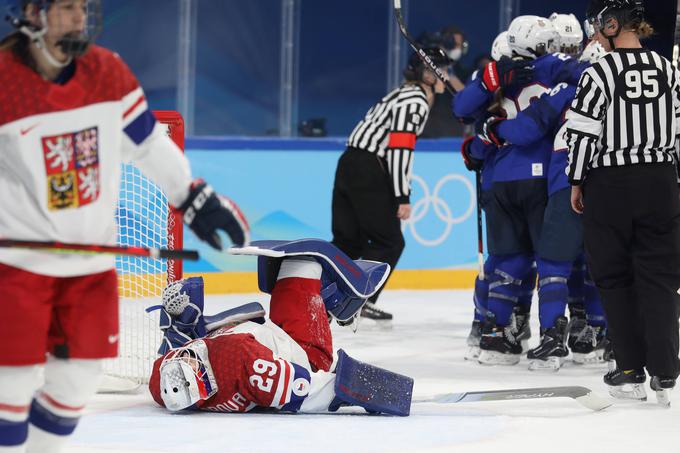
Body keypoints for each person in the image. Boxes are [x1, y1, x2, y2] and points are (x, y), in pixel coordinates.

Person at [0, 1, 249, 452]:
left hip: (87, 267)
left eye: (84, 7)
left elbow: (148, 143)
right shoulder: (4, 79)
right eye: (68, 7)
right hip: (19, 267)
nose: (80, 17)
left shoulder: (107, 73)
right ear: (34, 14)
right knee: (9, 387)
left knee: (77, 380)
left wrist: (192, 199)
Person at [148, 239, 413, 416]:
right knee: (304, 264)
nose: (187, 357)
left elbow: (166, 362)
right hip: (304, 354)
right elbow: (312, 391)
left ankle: (327, 304)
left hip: (268, 337)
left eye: (185, 358)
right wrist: (374, 389)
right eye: (191, 363)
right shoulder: (243, 362)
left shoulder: (163, 381)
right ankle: (345, 306)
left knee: (292, 267)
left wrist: (180, 330)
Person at [566, 0, 680, 405]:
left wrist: (576, 180)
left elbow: (582, 132)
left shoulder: (599, 72)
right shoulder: (669, 69)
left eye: (599, 28)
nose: (596, 35)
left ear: (612, 26)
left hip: (610, 184)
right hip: (661, 182)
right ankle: (665, 371)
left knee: (614, 277)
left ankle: (630, 368)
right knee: (661, 276)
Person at [480, 39, 609, 370]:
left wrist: (492, 131)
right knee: (610, 264)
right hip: (622, 182)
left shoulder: (566, 90)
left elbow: (527, 127)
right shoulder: (635, 92)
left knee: (553, 264)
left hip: (567, 181)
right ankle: (607, 337)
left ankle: (553, 338)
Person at [331, 47, 446, 322]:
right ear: (428, 74)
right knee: (389, 241)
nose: (446, 75)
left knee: (347, 241)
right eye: (441, 69)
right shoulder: (415, 100)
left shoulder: (399, 93)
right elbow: (400, 149)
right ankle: (357, 302)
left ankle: (324, 297)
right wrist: (401, 195)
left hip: (349, 162)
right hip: (369, 168)